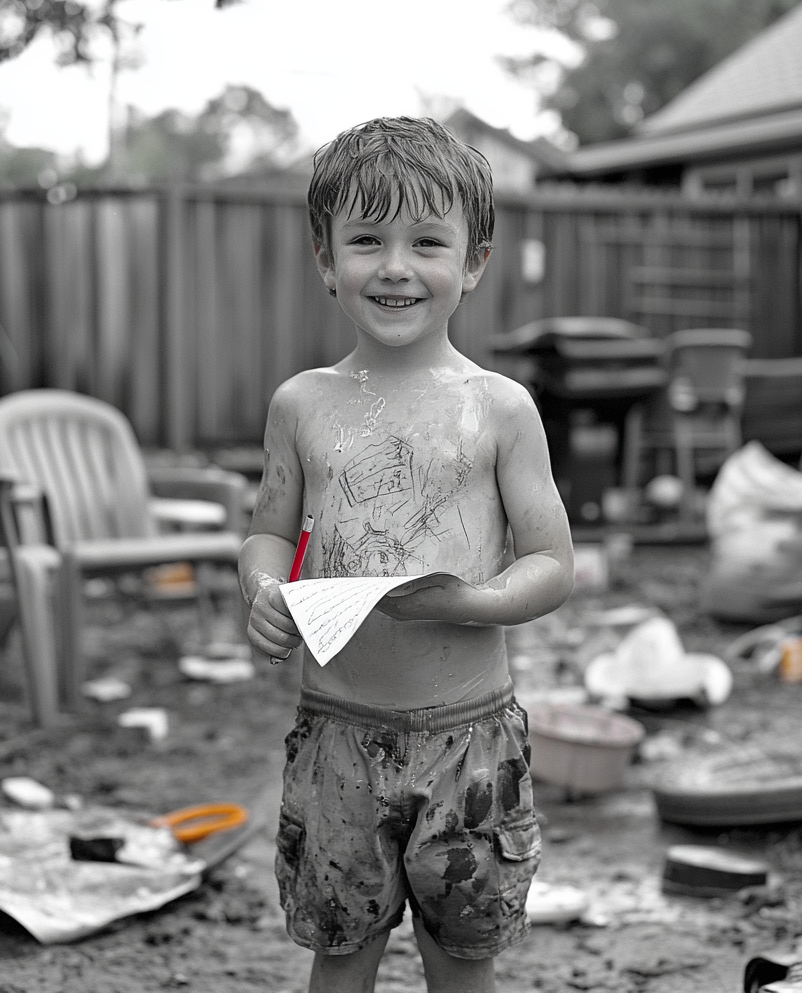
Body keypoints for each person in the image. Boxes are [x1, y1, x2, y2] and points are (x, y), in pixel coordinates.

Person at [238, 116, 574, 993]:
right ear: (326, 260)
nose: (395, 265)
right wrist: (265, 587)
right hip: (337, 735)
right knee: (338, 950)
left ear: (473, 262)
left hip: (470, 742)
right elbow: (270, 529)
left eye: (427, 240)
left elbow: (551, 564)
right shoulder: (303, 404)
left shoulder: (500, 408)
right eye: (366, 240)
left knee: (462, 961)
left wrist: (468, 603)